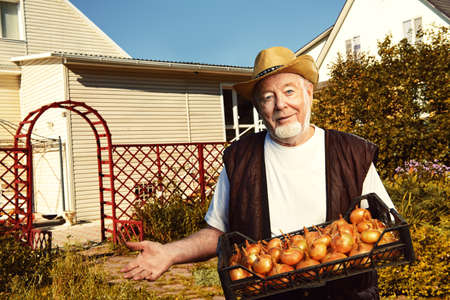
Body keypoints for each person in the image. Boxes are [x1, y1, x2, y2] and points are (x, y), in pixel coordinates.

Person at [121, 46, 395, 299]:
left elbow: (385, 227)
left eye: (289, 92)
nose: (280, 105)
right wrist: (170, 252)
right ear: (259, 108)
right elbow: (217, 232)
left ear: (308, 93)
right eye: (268, 97)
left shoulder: (352, 152)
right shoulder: (240, 158)